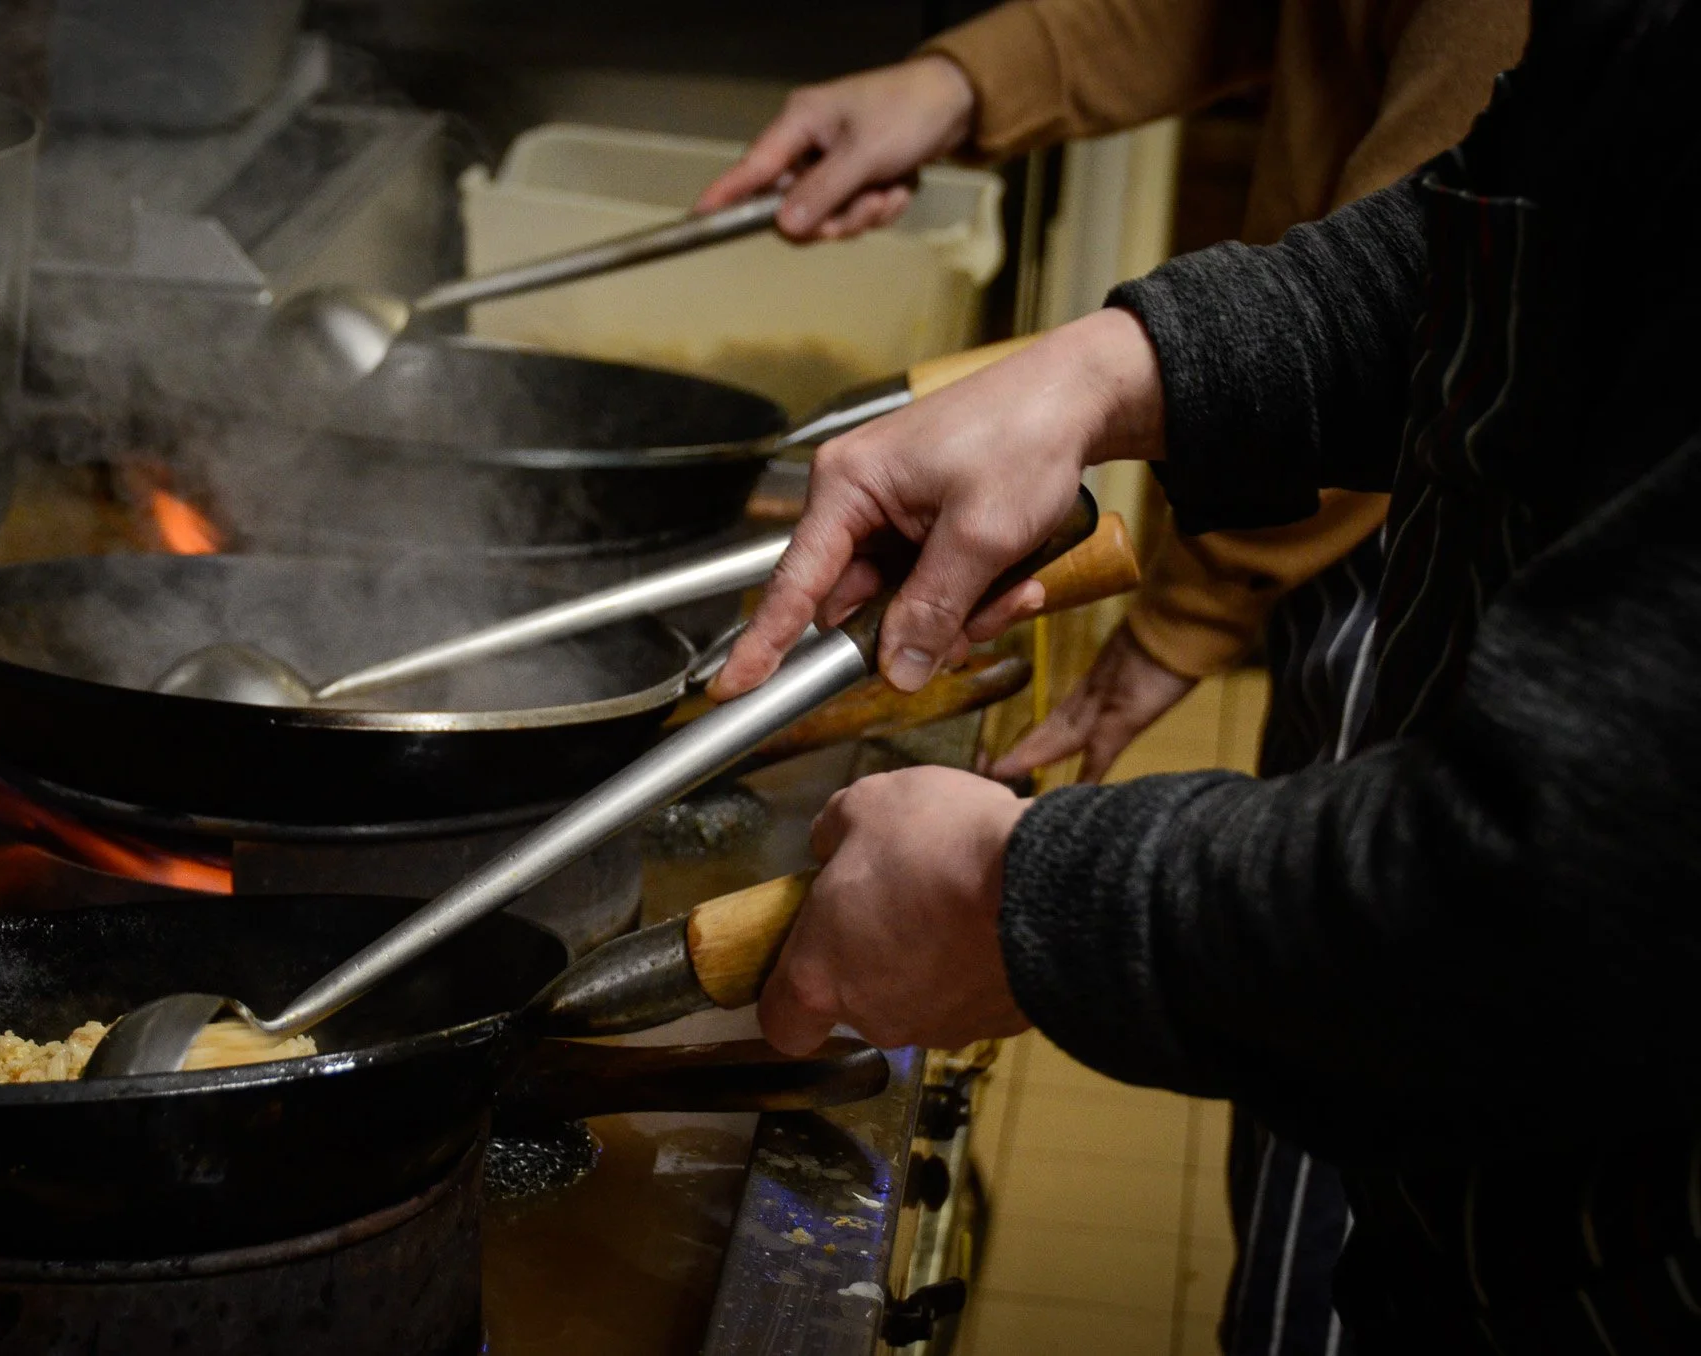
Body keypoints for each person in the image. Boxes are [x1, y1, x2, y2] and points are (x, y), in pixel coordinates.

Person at [709, 0, 1701, 1349]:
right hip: (1476, 1219)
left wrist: (1017, 900)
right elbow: (1526, 226)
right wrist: (1112, 369)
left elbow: (1564, 889)